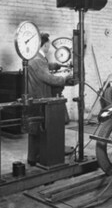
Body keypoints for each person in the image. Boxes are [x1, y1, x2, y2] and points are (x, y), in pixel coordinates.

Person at [26, 33, 75, 165]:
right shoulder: (37, 60)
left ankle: (34, 156)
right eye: (48, 44)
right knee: (41, 128)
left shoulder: (34, 57)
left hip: (35, 97)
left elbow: (43, 68)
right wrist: (65, 78)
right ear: (46, 45)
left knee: (36, 129)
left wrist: (55, 66)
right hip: (40, 98)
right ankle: (38, 157)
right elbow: (48, 78)